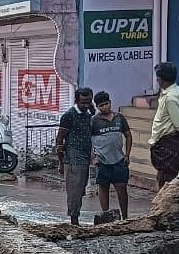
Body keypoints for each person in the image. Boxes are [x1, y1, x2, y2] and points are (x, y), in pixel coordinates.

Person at [55, 87, 95, 226]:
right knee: (74, 191)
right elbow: (59, 140)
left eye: (88, 102)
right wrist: (60, 162)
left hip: (86, 156)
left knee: (81, 189)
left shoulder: (91, 113)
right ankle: (74, 220)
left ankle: (75, 217)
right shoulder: (69, 116)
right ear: (76, 101)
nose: (86, 105)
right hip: (73, 157)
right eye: (83, 102)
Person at [90, 91, 132, 221]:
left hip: (119, 160)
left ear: (110, 103)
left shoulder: (119, 118)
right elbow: (87, 140)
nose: (105, 107)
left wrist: (127, 154)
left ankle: (125, 217)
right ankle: (106, 215)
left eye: (106, 104)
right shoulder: (94, 121)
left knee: (121, 188)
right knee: (103, 187)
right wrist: (93, 157)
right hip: (102, 161)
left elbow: (128, 135)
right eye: (101, 105)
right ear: (97, 107)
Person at [148, 63, 179, 188]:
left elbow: (178, 122)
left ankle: (166, 203)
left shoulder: (171, 97)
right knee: (162, 174)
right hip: (164, 139)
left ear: (160, 79)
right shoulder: (173, 91)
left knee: (168, 177)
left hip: (169, 140)